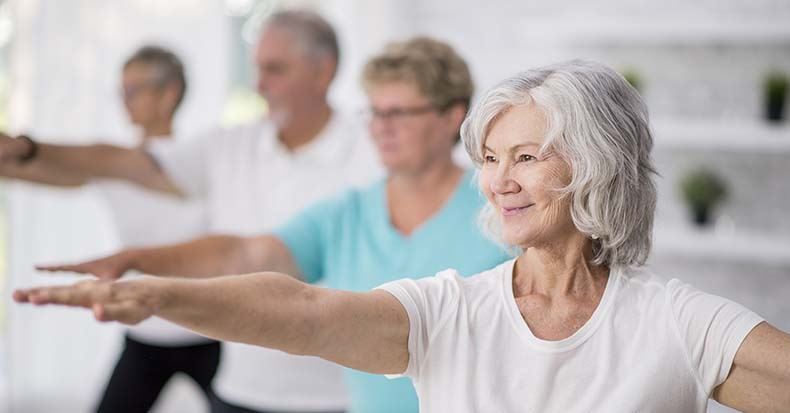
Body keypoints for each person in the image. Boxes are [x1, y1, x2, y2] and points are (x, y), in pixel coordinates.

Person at [15, 60, 790, 412]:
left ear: (599, 166)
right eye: (491, 158)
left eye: (528, 157)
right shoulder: (450, 312)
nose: (501, 179)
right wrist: (157, 293)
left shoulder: (677, 322)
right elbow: (299, 310)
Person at [32, 37, 513, 413]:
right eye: (375, 111)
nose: (381, 126)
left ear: (453, 117)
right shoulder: (347, 213)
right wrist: (139, 262)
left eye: (400, 113)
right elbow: (246, 255)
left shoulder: (500, 205)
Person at [2, 10, 381, 413]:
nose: (260, 85)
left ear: (323, 71)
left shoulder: (373, 150)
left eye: (275, 70)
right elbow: (123, 162)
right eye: (257, 69)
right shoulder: (228, 147)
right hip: (242, 389)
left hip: (338, 394)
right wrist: (29, 149)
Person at [0, 45, 220, 413]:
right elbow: (41, 168)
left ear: (169, 94)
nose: (125, 101)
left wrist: (24, 146)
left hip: (208, 330)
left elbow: (108, 159)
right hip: (145, 329)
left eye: (134, 90)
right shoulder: (109, 167)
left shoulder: (199, 157)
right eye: (122, 91)